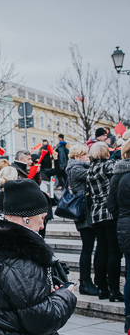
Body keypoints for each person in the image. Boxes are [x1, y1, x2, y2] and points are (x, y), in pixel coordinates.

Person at [0, 179, 77, 334]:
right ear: (26, 218)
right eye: (42, 217)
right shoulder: (24, 258)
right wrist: (65, 295)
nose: (42, 225)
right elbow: (40, 321)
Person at [87, 141, 122, 301]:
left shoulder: (90, 170)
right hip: (109, 212)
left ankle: (102, 288)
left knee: (101, 250)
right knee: (114, 252)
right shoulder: (109, 166)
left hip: (95, 213)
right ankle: (114, 289)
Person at [65, 144, 98, 296]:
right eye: (85, 154)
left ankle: (88, 281)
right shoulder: (77, 169)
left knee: (89, 247)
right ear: (78, 157)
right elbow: (94, 174)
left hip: (87, 212)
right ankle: (85, 281)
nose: (88, 157)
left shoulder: (77, 167)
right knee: (87, 248)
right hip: (84, 213)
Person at [107, 140, 130, 332]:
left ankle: (129, 319)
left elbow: (111, 204)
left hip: (124, 225)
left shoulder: (118, 173)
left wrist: (122, 218)